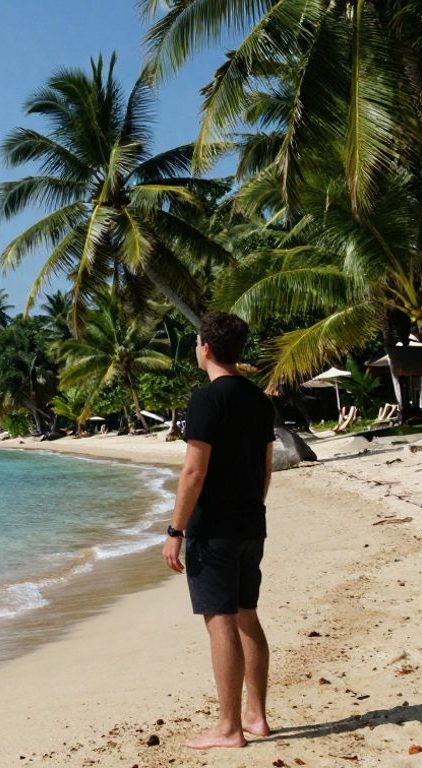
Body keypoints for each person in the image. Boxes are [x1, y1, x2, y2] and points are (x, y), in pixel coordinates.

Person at [162, 312, 276, 750]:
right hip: (251, 522)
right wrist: (253, 507)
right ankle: (256, 716)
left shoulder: (207, 399)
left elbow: (193, 471)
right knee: (246, 612)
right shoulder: (259, 400)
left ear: (204, 347)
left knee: (220, 619)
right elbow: (266, 466)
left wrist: (176, 530)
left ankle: (229, 727)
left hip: (215, 528)